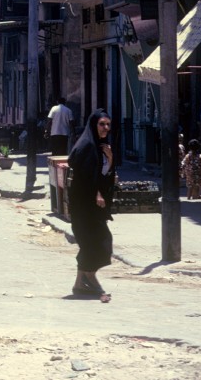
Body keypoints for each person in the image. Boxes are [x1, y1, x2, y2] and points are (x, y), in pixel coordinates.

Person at [68, 109, 117, 301]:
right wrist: (96, 194)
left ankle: (81, 284)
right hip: (84, 206)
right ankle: (89, 281)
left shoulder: (100, 146)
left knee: (92, 243)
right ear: (93, 125)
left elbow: (104, 173)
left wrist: (111, 157)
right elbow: (85, 176)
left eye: (108, 124)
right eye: (101, 124)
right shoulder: (87, 145)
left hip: (94, 207)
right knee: (99, 241)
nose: (105, 128)